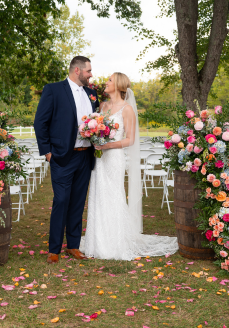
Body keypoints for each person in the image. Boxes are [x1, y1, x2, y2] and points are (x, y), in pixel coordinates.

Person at [80, 72, 178, 260]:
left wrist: (107, 145)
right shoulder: (102, 105)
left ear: (118, 85)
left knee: (113, 196)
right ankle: (97, 241)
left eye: (109, 80)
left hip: (114, 157)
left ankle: (114, 243)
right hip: (100, 159)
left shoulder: (127, 110)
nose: (106, 83)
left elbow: (130, 140)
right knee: (98, 195)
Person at [34, 56, 99, 263]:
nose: (91, 74)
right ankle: (54, 249)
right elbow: (40, 122)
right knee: (61, 201)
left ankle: (73, 246)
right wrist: (47, 152)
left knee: (78, 203)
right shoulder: (53, 90)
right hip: (62, 156)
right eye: (89, 71)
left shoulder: (92, 93)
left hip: (85, 156)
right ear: (77, 71)